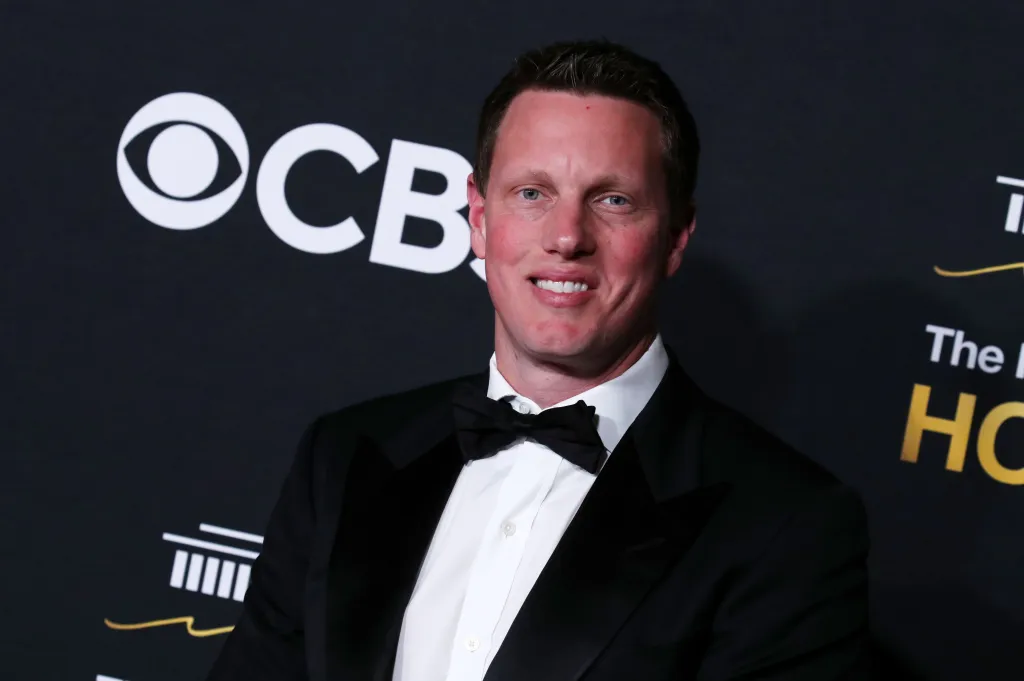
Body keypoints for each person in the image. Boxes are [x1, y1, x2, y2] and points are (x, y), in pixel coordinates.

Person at [206, 39, 870, 681]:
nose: (565, 236)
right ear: (478, 216)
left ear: (674, 238)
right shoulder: (344, 457)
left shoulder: (785, 525)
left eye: (613, 200)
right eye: (532, 193)